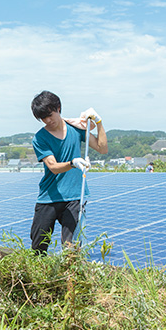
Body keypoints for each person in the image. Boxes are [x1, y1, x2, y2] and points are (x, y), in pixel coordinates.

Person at [29, 91, 108, 254]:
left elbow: (102, 148)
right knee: (38, 246)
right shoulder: (40, 138)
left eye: (49, 115)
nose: (47, 120)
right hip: (49, 196)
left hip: (75, 196)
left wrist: (99, 122)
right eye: (43, 118)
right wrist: (73, 163)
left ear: (58, 108)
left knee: (70, 247)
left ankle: (70, 278)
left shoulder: (76, 129)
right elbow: (53, 166)